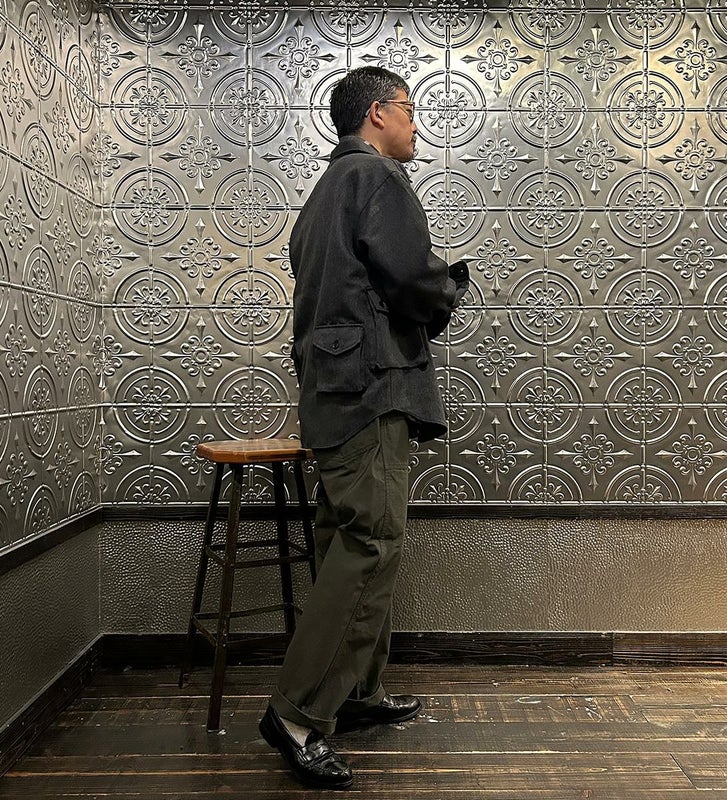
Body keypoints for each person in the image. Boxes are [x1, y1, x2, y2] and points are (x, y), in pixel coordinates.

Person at [258, 66, 469, 790]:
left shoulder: (324, 192)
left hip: (332, 392)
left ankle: (356, 690)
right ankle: (297, 715)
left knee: (342, 538)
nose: (415, 124)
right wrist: (451, 287)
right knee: (370, 542)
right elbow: (411, 277)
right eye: (409, 109)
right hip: (372, 388)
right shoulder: (377, 177)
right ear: (377, 114)